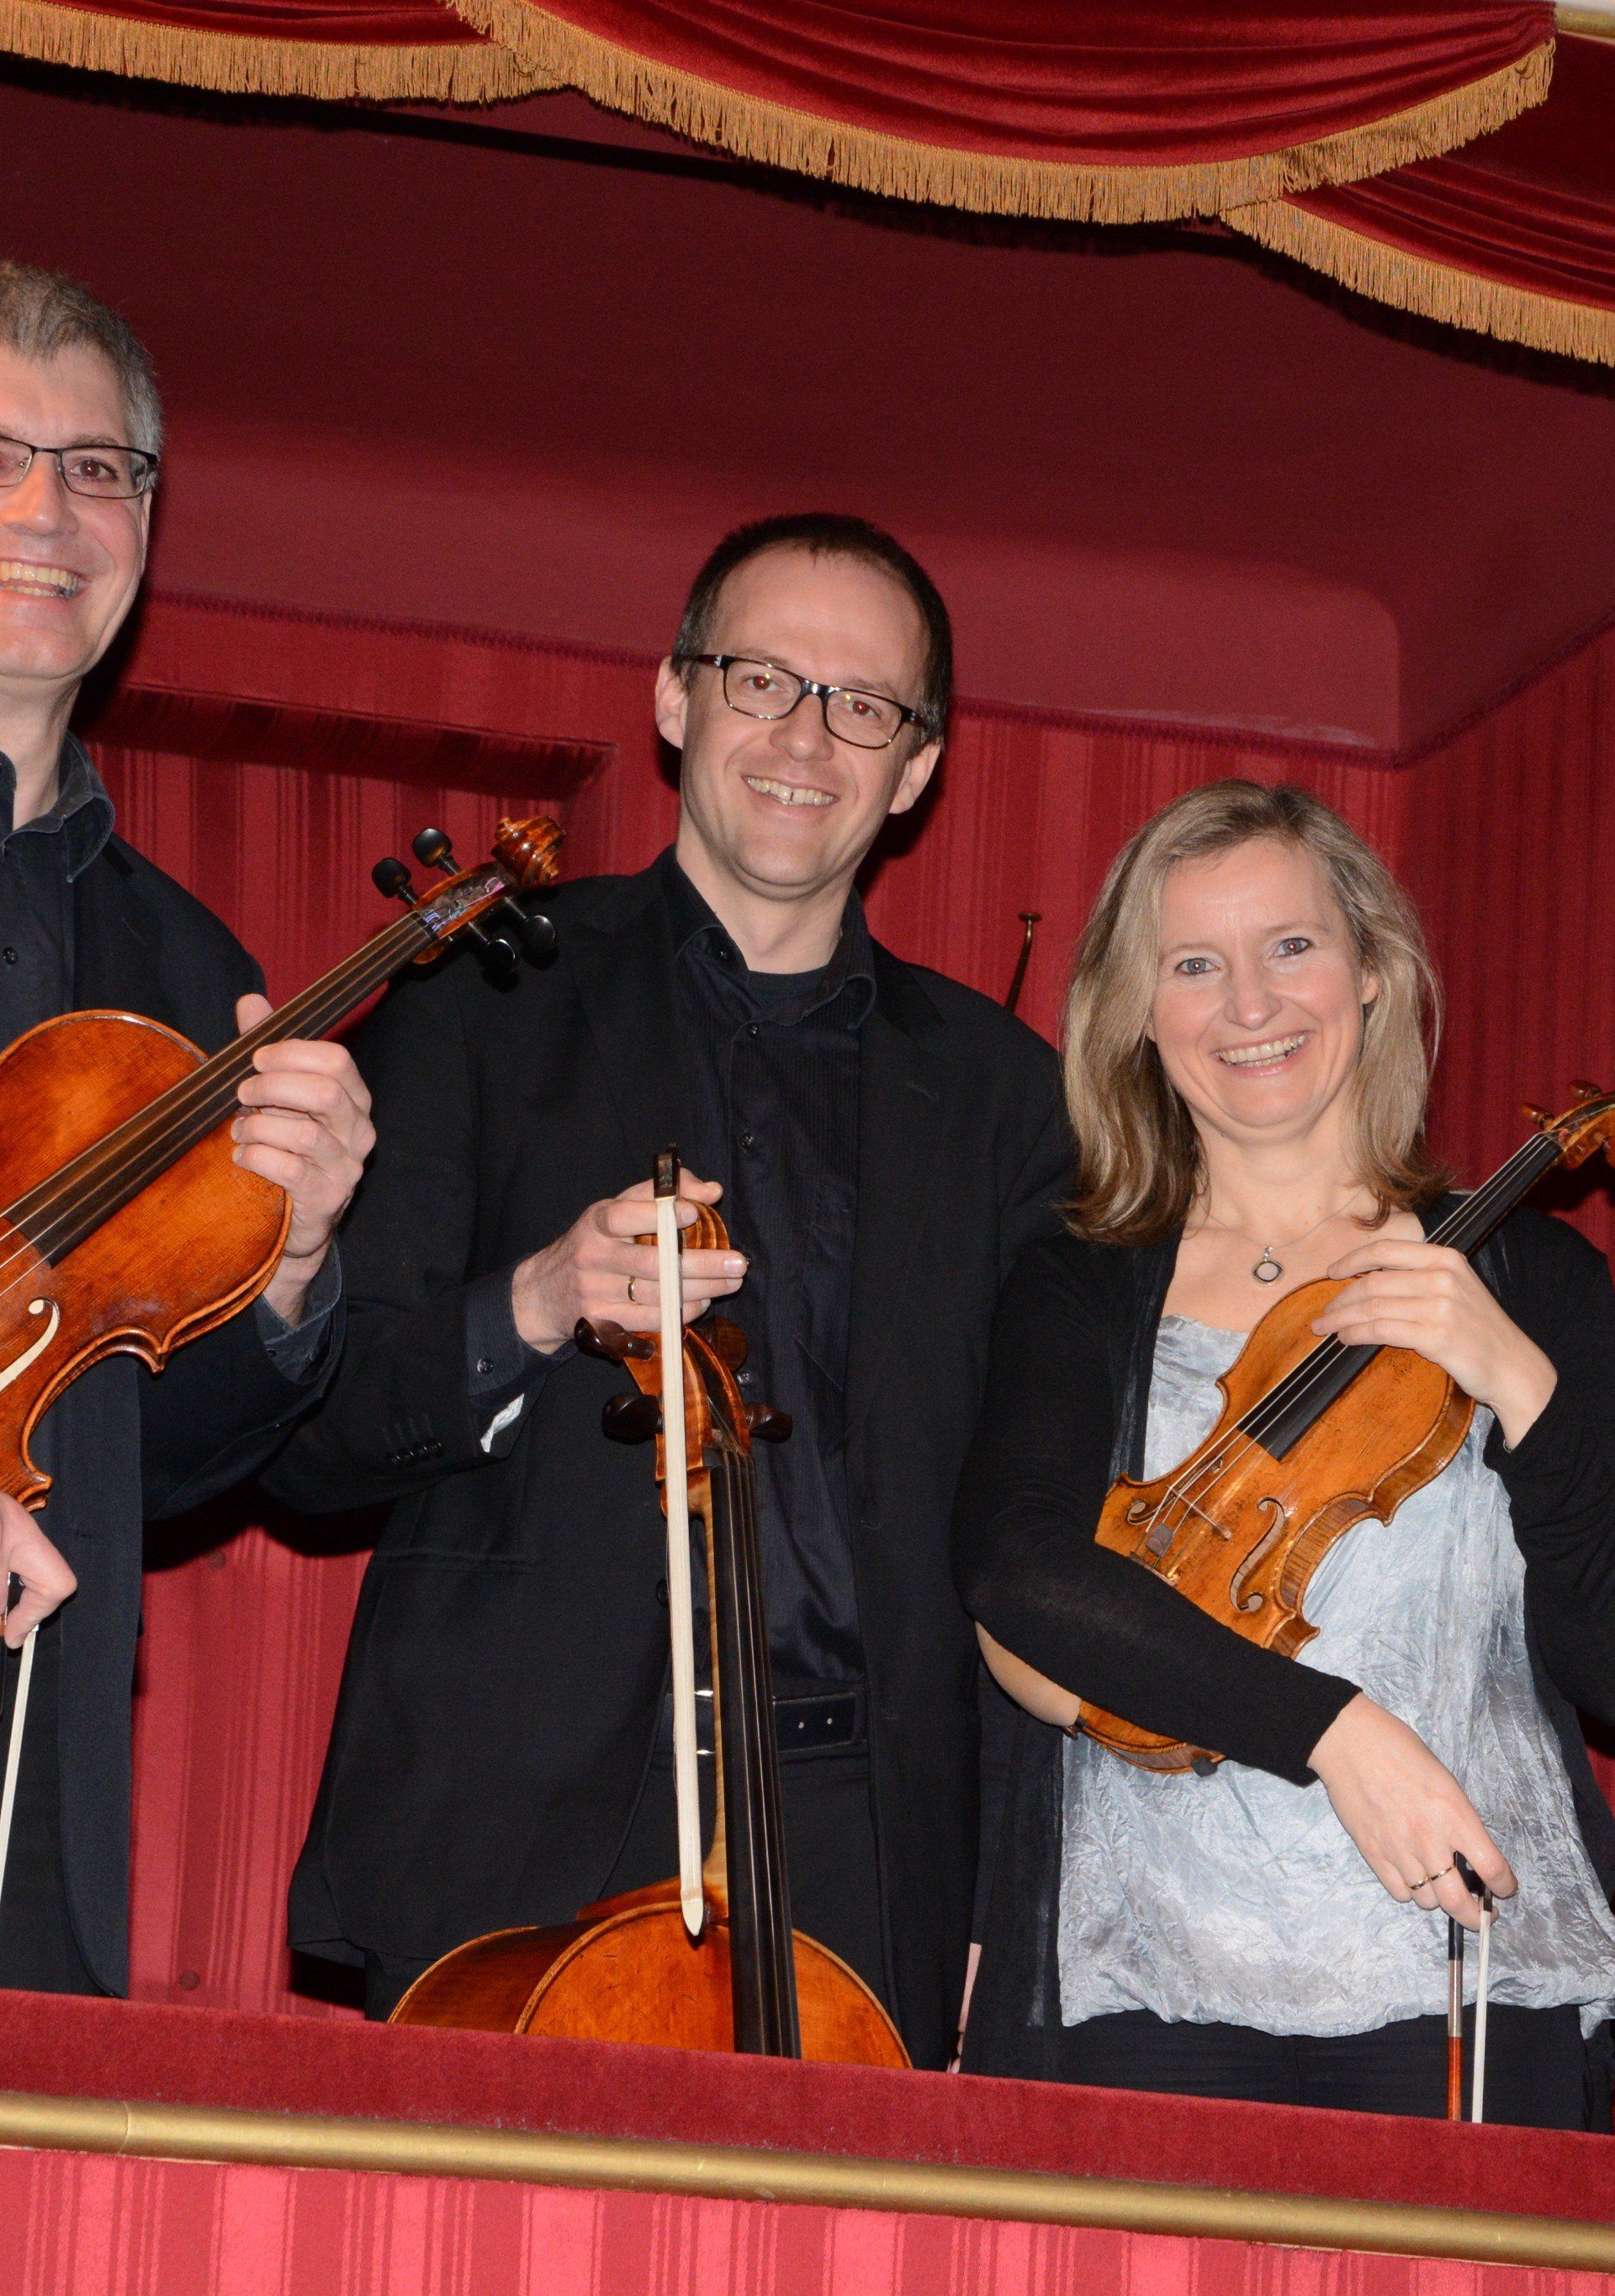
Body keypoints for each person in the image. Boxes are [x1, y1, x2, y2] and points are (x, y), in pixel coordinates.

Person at [262, 513, 1069, 2061]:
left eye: (864, 704)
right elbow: (310, 1433)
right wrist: (539, 1302)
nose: (805, 737)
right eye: (761, 678)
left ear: (916, 767)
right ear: (673, 698)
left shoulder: (1003, 1101)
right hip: (522, 1817)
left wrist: (998, 1900)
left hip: (861, 1831)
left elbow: (1024, 1528)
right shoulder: (481, 998)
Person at [0, 262, 373, 1993]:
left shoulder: (191, 964)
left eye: (101, 469)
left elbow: (144, 1449)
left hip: (6, 1786)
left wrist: (292, 1275)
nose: (46, 510)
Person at [954, 780, 1615, 2126]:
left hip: (1467, 1961)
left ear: (1373, 973)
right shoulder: (1079, 1282)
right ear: (1138, 1017)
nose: (1251, 1003)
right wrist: (1338, 1734)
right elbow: (1022, 1571)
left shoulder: (1527, 1271)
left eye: (1290, 944)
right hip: (1151, 1978)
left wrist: (1518, 1376)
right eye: (1194, 964)